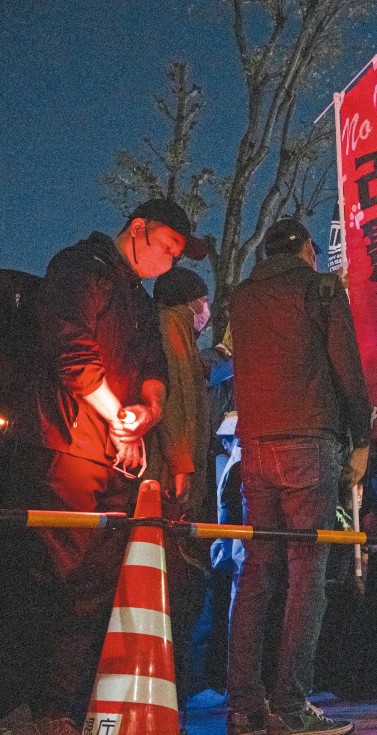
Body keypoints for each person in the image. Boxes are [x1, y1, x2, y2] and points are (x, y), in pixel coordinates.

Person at [5, 199, 206, 733]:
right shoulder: (81, 268)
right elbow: (68, 346)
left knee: (94, 581)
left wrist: (148, 412)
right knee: (50, 574)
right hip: (61, 445)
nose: (169, 261)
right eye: (166, 247)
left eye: (177, 254)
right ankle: (26, 703)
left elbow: (151, 366)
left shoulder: (138, 300)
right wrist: (117, 413)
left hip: (110, 456)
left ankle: (57, 706)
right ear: (137, 229)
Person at [226, 218, 370, 735]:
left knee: (256, 572)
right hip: (309, 438)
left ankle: (243, 705)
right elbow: (347, 367)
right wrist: (363, 438)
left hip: (255, 443)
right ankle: (290, 704)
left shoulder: (241, 297)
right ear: (309, 249)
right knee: (308, 574)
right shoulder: (321, 288)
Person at [147, 266, 214, 724]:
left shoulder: (177, 338)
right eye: (203, 301)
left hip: (175, 476)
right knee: (179, 586)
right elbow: (180, 407)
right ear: (190, 302)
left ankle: (176, 686)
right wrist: (184, 467)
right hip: (175, 482)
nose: (206, 312)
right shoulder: (171, 332)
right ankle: (174, 687)